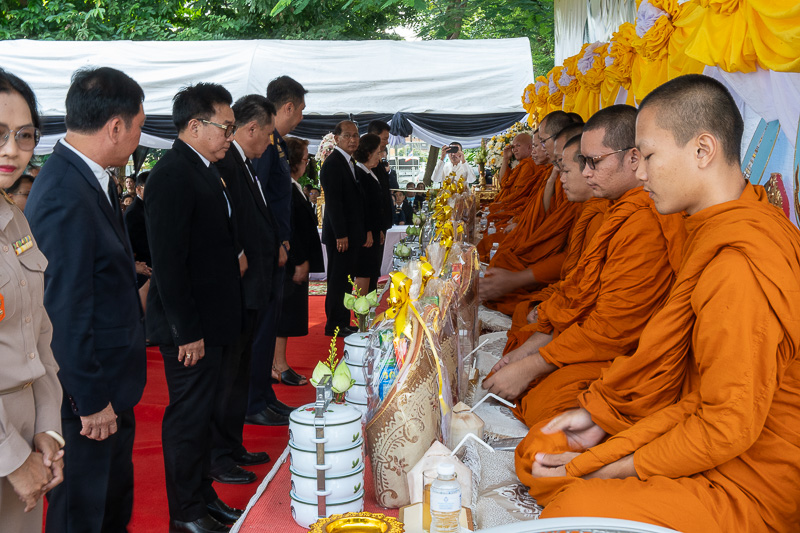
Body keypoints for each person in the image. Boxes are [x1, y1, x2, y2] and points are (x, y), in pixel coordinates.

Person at [520, 74, 800, 533]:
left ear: (703, 150)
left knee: (567, 507)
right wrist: (601, 421)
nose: (640, 173)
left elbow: (725, 425)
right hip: (709, 430)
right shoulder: (719, 230)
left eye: (648, 156)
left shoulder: (739, 263)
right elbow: (701, 396)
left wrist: (609, 468)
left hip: (753, 481)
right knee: (542, 451)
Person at [482, 105, 686, 431]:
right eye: (581, 163)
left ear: (633, 158)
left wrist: (535, 363)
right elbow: (581, 288)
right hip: (593, 333)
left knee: (548, 407)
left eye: (593, 162)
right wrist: (535, 348)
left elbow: (614, 329)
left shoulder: (644, 222)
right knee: (528, 347)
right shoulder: (614, 210)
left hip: (629, 352)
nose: (586, 172)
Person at [25, 66, 146, 533]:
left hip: (111, 380)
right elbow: (62, 309)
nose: (138, 138)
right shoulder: (64, 190)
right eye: (138, 127)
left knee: (111, 504)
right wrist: (89, 400)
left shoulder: (90, 178)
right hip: (88, 394)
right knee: (83, 511)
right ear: (115, 126)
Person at [145, 83, 244, 533]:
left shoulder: (204, 168)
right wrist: (186, 331)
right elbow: (168, 264)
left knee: (204, 415)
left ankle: (203, 497)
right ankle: (185, 512)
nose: (229, 136)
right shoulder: (172, 174)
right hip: (190, 327)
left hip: (212, 319)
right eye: (225, 127)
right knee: (188, 418)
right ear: (194, 125)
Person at [0, 68, 64, 533]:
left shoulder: (14, 219)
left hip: (24, 432)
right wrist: (11, 458)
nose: (11, 150)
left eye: (23, 135)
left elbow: (37, 333)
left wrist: (47, 426)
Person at [210, 94, 278, 485]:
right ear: (251, 129)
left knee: (238, 374)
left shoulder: (244, 163)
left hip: (253, 284)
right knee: (227, 377)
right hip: (239, 286)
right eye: (267, 135)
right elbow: (229, 223)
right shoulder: (227, 163)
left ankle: (232, 444)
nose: (269, 143)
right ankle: (218, 454)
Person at [503, 133, 608, 353]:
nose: (560, 176)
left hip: (588, 317)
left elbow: (599, 297)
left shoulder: (606, 215)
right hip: (567, 288)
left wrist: (520, 281)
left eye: (564, 169)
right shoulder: (585, 204)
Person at [246, 76, 306, 427]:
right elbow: (260, 200)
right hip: (267, 249)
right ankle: (254, 399)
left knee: (270, 326)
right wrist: (277, 243)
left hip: (276, 247)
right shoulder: (266, 145)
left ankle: (265, 395)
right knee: (262, 327)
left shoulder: (277, 143)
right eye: (300, 110)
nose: (301, 117)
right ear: (288, 107)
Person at [479, 125, 586, 313]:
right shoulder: (548, 173)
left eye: (541, 143)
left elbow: (571, 256)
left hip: (555, 262)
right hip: (536, 239)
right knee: (500, 255)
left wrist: (518, 279)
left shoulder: (591, 204)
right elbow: (517, 195)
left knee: (504, 266)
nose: (540, 149)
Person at [274, 137, 324, 385]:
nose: (307, 164)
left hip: (294, 259)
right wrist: (299, 261)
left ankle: (277, 363)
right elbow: (289, 230)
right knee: (283, 316)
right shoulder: (285, 188)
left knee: (287, 314)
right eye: (305, 159)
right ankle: (278, 365)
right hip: (289, 262)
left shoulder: (293, 186)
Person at [320, 120, 366, 337]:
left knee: (346, 280)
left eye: (355, 135)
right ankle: (334, 325)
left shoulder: (349, 161)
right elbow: (334, 203)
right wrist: (341, 234)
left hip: (349, 233)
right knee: (338, 280)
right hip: (340, 235)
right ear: (336, 138)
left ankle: (343, 321)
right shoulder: (333, 163)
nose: (353, 140)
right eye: (347, 136)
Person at [353, 133, 385, 293]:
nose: (380, 156)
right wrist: (368, 231)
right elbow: (362, 206)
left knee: (371, 269)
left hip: (374, 229)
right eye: (377, 153)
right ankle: (361, 305)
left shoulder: (369, 172)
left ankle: (368, 303)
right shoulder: (359, 173)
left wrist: (379, 229)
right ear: (367, 153)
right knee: (364, 270)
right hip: (366, 232)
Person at [366, 120, 394, 256]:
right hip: (373, 225)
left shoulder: (379, 163)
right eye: (384, 139)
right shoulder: (365, 167)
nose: (387, 143)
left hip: (382, 223)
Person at [124, 171, 152, 288]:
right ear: (139, 190)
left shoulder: (149, 205)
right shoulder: (133, 212)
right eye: (150, 188)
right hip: (144, 265)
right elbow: (141, 245)